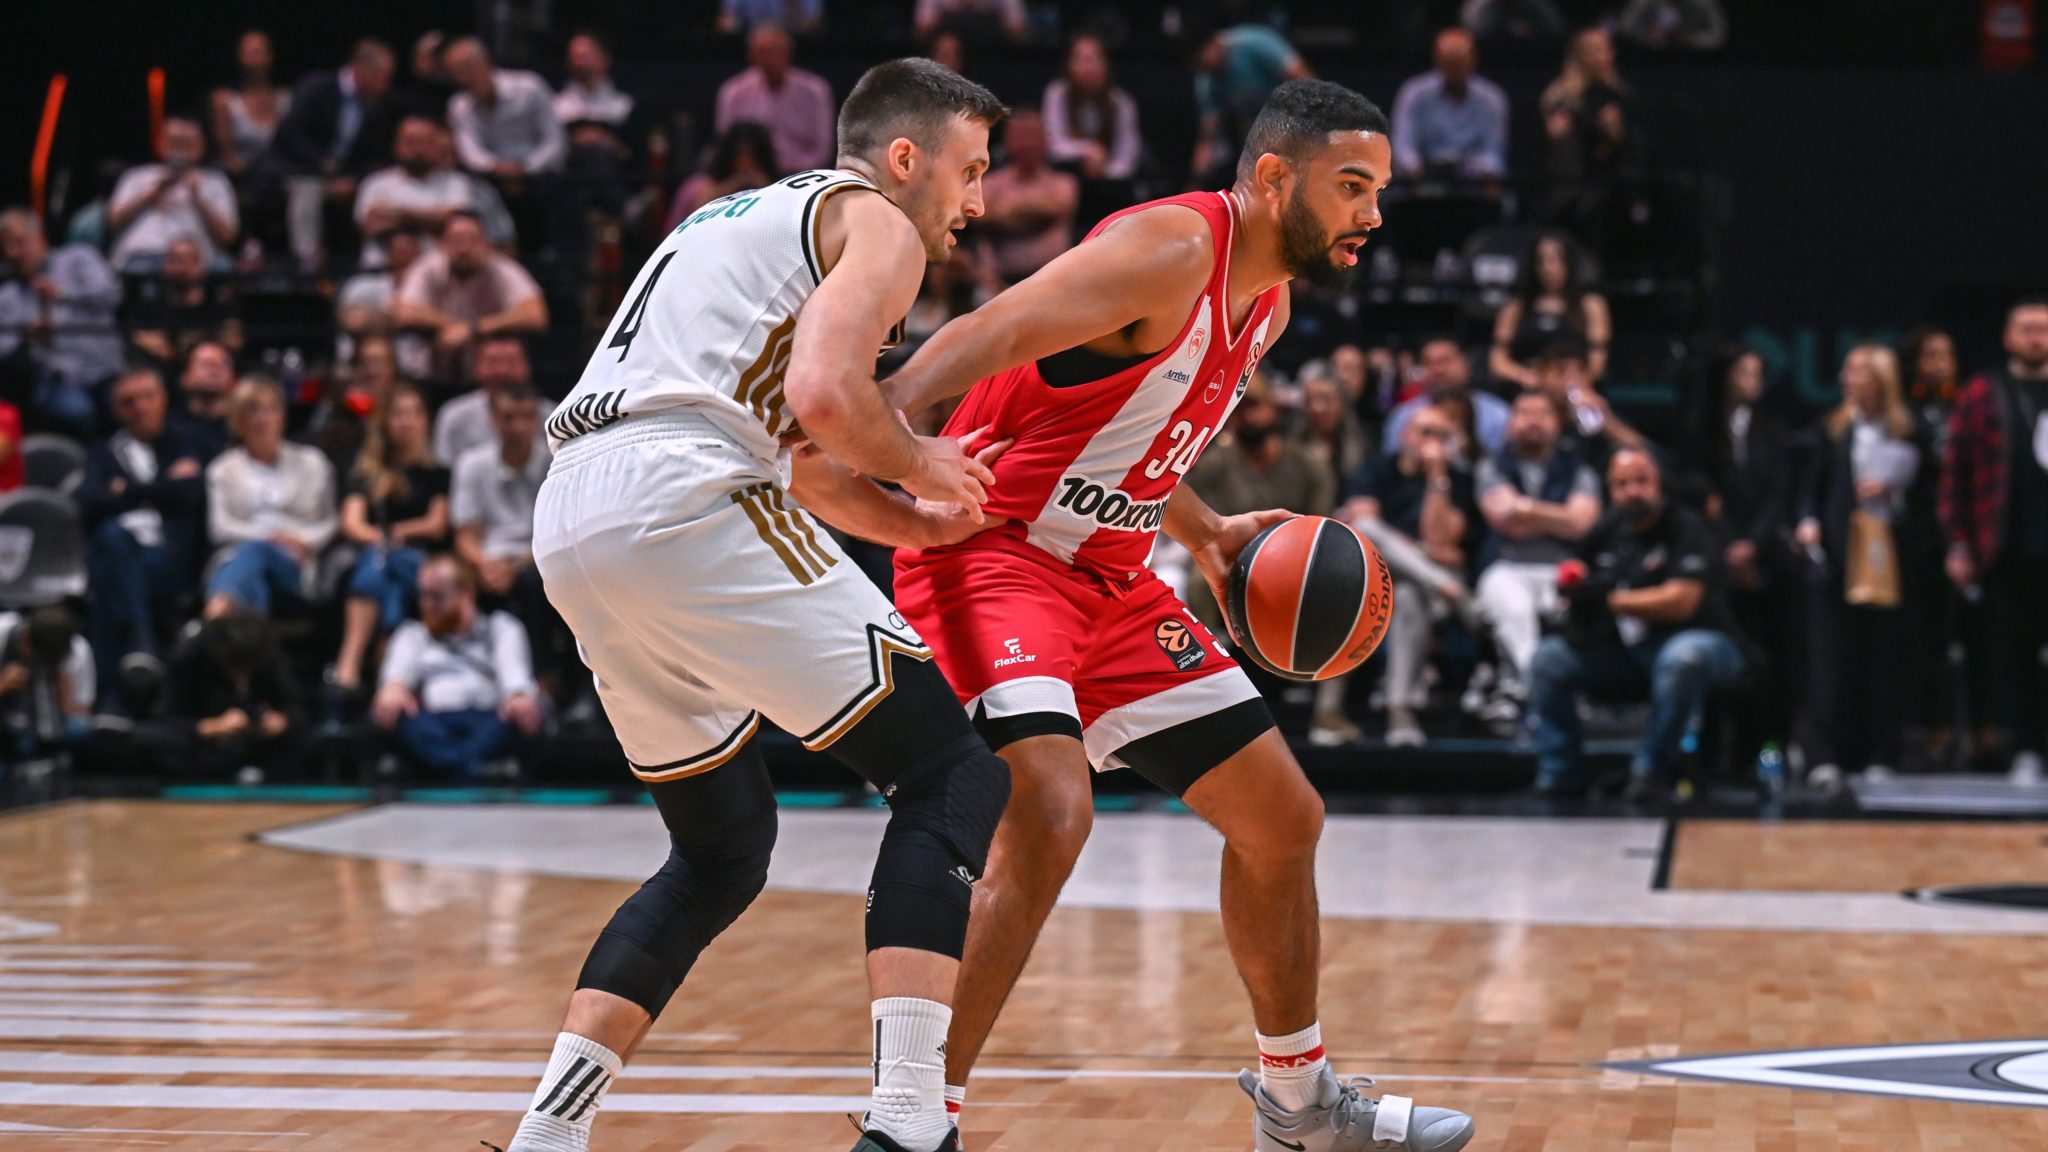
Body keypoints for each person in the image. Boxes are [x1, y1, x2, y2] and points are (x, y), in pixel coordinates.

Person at [883, 79, 1474, 1151]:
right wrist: (884, 429)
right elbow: (985, 330)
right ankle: (915, 1122)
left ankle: (1298, 1106)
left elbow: (1136, 429)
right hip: (993, 558)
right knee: (1048, 811)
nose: (1373, 214)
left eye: (1379, 190)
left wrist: (1201, 533)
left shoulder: (1267, 305)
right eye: (1352, 187)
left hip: (1113, 580)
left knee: (1282, 819)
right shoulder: (1170, 248)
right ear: (1273, 178)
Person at [504, 60, 1015, 1152]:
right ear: (905, 158)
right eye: (970, 170)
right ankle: (911, 1119)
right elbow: (826, 400)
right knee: (953, 775)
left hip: (575, 512)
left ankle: (550, 1133)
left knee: (719, 850)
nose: (976, 202)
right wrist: (919, 458)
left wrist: (918, 525)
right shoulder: (877, 222)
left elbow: (807, 459)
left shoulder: (731, 218)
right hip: (682, 493)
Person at [1529, 447, 1743, 799]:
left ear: (1659, 484)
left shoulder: (1687, 527)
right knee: (1549, 659)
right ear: (1610, 490)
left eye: (1642, 481)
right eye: (1622, 484)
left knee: (1682, 658)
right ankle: (1559, 771)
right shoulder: (1606, 531)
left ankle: (1651, 770)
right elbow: (1578, 583)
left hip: (1704, 643)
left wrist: (1608, 601)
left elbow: (1681, 602)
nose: (1633, 491)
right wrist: (1576, 594)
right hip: (1628, 651)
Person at [1798, 344, 1920, 787]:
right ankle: (1825, 754)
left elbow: (1925, 497)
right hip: (1837, 555)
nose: (1847, 379)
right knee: (1831, 658)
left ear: (1881, 379)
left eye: (1859, 371)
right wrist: (1807, 522)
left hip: (1887, 557)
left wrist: (1892, 494)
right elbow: (1808, 487)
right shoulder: (1832, 429)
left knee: (1882, 657)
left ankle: (1880, 753)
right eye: (1847, 370)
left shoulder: (1908, 431)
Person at [1940, 297, 2048, 783]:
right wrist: (1959, 543)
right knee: (2013, 656)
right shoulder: (1983, 392)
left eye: (2043, 329)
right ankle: (2025, 749)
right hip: (2005, 547)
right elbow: (1955, 474)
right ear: (2008, 337)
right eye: (2027, 329)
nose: (2036, 338)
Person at [1342, 396, 1485, 747]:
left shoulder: (1457, 480)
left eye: (1442, 436)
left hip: (1425, 589)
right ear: (1406, 434)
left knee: (1407, 594)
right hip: (1380, 579)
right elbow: (1363, 535)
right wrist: (1425, 556)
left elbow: (1442, 540)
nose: (1432, 443)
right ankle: (1449, 590)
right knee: (1367, 528)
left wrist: (1437, 478)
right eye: (1425, 432)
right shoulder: (1377, 468)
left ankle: (1399, 709)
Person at [82, 367, 210, 699]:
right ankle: (141, 654)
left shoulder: (186, 441)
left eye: (148, 397)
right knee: (111, 546)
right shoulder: (103, 451)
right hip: (128, 557)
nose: (140, 408)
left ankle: (112, 694)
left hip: (175, 559)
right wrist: (161, 490)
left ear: (163, 399)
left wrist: (127, 491)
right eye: (129, 401)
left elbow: (190, 494)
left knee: (107, 572)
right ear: (116, 409)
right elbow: (89, 504)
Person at [371, 553, 543, 778]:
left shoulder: (501, 627)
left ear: (466, 594)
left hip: (487, 722)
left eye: (437, 597)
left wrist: (518, 696)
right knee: (391, 712)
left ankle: (445, 768)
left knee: (527, 711)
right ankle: (476, 770)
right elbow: (396, 678)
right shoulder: (413, 634)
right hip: (433, 724)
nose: (426, 605)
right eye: (422, 595)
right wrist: (393, 690)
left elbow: (516, 678)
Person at [1185, 379, 1336, 632]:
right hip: (1234, 554)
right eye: (1240, 410)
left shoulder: (1307, 463)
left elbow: (1321, 525)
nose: (1247, 416)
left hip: (1297, 555)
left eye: (1254, 406)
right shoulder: (1214, 464)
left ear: (1272, 408)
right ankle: (1208, 649)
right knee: (1200, 581)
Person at [334, 383, 450, 692]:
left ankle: (349, 662)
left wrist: (401, 532)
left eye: (414, 414)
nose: (406, 422)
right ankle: (387, 675)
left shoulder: (437, 473)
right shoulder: (366, 472)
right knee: (388, 582)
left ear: (425, 421)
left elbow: (436, 525)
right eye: (398, 414)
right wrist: (379, 538)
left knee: (382, 563)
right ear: (385, 422)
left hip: (419, 561)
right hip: (377, 553)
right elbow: (352, 523)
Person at [203, 378, 338, 619]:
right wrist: (269, 537)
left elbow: (330, 522)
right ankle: (243, 636)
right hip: (238, 556)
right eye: (254, 410)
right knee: (255, 575)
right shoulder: (222, 469)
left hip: (295, 563)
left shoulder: (312, 462)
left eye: (271, 409)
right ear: (239, 419)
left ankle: (213, 618)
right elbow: (219, 527)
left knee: (254, 557)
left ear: (282, 416)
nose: (264, 418)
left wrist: (303, 541)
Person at [266, 39, 400, 269]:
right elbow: (290, 134)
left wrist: (353, 180)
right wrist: (323, 164)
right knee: (308, 189)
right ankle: (307, 261)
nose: (385, 85)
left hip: (343, 177)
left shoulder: (375, 107)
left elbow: (374, 156)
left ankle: (372, 262)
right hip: (299, 170)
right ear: (360, 69)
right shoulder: (317, 88)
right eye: (382, 77)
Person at [0, 208, 123, 438]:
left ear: (39, 238)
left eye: (19, 242)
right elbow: (3, 351)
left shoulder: (78, 258)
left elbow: (111, 296)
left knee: (125, 404)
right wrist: (26, 339)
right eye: (6, 247)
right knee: (77, 412)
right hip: (56, 379)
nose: (12, 253)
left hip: (106, 371)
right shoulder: (7, 297)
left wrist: (63, 294)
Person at [390, 212, 546, 384]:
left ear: (487, 244)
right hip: (431, 374)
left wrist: (474, 329)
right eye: (457, 241)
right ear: (443, 245)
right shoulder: (427, 267)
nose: (464, 249)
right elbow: (403, 312)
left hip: (490, 376)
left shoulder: (502, 269)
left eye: (472, 241)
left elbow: (535, 315)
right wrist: (451, 325)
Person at [165, 612, 300, 781]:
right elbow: (163, 725)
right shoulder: (188, 659)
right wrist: (213, 726)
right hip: (197, 757)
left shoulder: (265, 655)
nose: (241, 675)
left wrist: (280, 722)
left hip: (259, 754)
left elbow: (296, 712)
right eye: (236, 665)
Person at [1188, 21, 1313, 188]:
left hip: (1296, 123)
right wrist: (1193, 185)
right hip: (1260, 139)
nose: (1203, 67)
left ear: (1214, 43)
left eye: (1200, 59)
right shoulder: (1207, 80)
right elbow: (1207, 138)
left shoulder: (1252, 43)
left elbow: (1302, 76)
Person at [107, 117, 240, 272]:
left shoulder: (216, 181)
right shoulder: (136, 176)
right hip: (145, 254)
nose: (180, 151)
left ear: (202, 146)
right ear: (160, 144)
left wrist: (198, 198)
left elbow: (228, 237)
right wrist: (153, 193)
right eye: (175, 143)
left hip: (198, 260)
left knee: (224, 267)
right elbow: (113, 221)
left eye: (187, 144)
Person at [354, 118, 482, 267]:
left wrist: (399, 215)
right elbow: (371, 225)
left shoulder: (456, 183)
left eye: (423, 142)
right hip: (382, 269)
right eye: (410, 142)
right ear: (396, 145)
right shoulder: (375, 183)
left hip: (438, 271)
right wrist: (431, 220)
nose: (416, 149)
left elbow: (456, 222)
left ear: (437, 146)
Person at [713, 24, 836, 176]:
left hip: (803, 176)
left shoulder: (815, 91)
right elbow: (726, 146)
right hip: (750, 177)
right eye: (762, 52)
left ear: (789, 52)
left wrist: (793, 170)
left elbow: (823, 149)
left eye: (775, 51)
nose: (770, 58)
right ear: (751, 55)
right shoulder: (733, 92)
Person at [1488, 233, 1609, 387]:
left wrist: (1568, 384)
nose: (1548, 268)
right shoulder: (1515, 307)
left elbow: (1597, 364)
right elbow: (1498, 362)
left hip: (1575, 386)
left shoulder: (1591, 305)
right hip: (1527, 385)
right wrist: (1525, 376)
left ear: (1569, 263)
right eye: (1541, 262)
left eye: (1555, 260)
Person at [975, 107, 1078, 284]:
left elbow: (1053, 211)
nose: (1028, 143)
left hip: (1053, 282)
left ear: (1046, 140)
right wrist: (1031, 210)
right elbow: (980, 219)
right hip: (999, 283)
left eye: (1033, 135)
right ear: (1007, 141)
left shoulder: (1063, 183)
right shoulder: (989, 184)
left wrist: (1006, 211)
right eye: (1021, 136)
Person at [1390, 28, 1508, 181]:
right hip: (1424, 180)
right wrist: (1416, 169)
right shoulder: (1414, 93)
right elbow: (1403, 147)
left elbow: (1494, 154)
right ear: (1436, 60)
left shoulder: (1491, 97)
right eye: (1448, 63)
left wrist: (1479, 170)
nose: (1454, 70)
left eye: (1459, 63)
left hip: (1474, 182)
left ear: (1473, 60)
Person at [444, 37, 566, 178]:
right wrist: (496, 167)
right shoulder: (459, 106)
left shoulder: (530, 86)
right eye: (456, 72)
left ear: (486, 61)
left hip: (542, 172)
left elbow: (554, 139)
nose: (464, 77)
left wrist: (527, 167)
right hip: (494, 176)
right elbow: (470, 152)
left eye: (468, 67)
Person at [433, 333, 555, 465]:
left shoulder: (554, 416)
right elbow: (443, 468)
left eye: (511, 362)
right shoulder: (454, 415)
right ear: (476, 368)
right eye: (493, 362)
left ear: (527, 367)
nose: (502, 371)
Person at [122, 235, 243, 368]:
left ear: (201, 265)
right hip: (162, 371)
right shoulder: (149, 308)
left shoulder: (220, 307)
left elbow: (233, 342)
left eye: (189, 260)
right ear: (165, 265)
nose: (182, 267)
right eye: (175, 260)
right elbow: (136, 336)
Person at [1528, 340, 1645, 473]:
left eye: (1579, 372)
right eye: (1561, 372)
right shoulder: (1529, 412)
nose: (1571, 380)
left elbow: (1646, 455)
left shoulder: (1598, 413)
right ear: (1543, 377)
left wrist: (1606, 420)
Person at [1381, 337, 1509, 456]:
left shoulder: (1497, 414)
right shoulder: (1403, 416)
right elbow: (1392, 462)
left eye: (1445, 361)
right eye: (1428, 363)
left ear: (1465, 365)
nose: (1438, 371)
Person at [0, 608, 94, 769]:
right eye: (36, 659)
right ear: (24, 639)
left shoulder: (77, 650)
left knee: (80, 731)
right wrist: (2, 686)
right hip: (6, 723)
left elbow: (84, 711)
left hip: (52, 723)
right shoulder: (2, 632)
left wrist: (64, 698)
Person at [1042, 34, 1141, 182]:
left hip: (1110, 180)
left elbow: (1127, 156)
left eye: (1094, 59)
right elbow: (1053, 145)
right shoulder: (1057, 94)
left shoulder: (1122, 103)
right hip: (1066, 177)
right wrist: (1087, 150)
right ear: (1069, 65)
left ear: (1107, 65)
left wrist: (1106, 172)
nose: (1088, 68)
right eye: (1080, 60)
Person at [664, 122, 778, 231]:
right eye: (740, 153)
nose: (746, 161)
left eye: (752, 155)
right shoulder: (698, 184)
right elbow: (695, 214)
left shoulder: (774, 185)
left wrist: (764, 186)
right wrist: (735, 182)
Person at [210, 30, 291, 181]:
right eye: (248, 53)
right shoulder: (225, 100)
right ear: (239, 57)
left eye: (258, 52)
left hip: (281, 175)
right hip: (242, 177)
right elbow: (227, 155)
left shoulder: (286, 99)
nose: (253, 59)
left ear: (270, 56)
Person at [178, 341, 236, 458]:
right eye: (206, 365)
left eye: (221, 365)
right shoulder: (165, 427)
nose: (214, 371)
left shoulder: (241, 430)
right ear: (185, 377)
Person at [1616, 0, 1728, 50]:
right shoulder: (1643, 3)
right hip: (1647, 62)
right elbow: (1624, 29)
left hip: (1695, 64)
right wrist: (1644, 33)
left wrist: (1691, 39)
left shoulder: (1704, 4)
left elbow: (1719, 36)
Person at [915, 0, 1027, 43]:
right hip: (947, 63)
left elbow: (1020, 34)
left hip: (994, 58)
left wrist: (983, 9)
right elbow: (921, 32)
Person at [1460, 0, 1567, 42]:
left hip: (1533, 66)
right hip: (1490, 66)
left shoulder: (1539, 7)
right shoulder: (1478, 9)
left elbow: (1557, 35)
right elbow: (1468, 40)